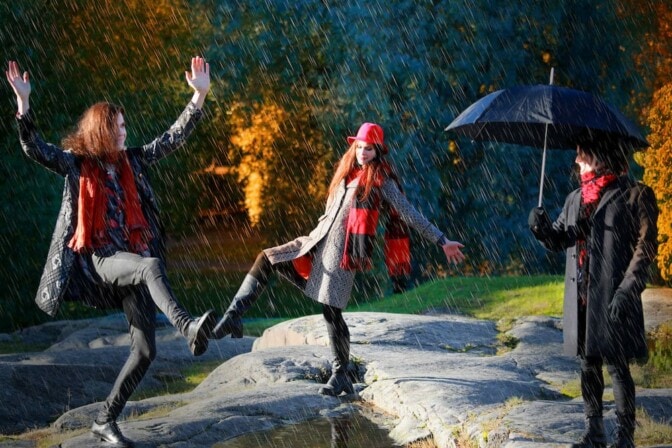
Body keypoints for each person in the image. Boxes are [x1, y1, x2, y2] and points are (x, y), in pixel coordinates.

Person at [6, 58, 216, 447]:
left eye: (124, 126)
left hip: (133, 260)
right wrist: (24, 104)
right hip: (102, 260)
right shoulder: (77, 165)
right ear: (102, 130)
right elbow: (34, 148)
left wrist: (199, 96)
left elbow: (171, 139)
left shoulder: (132, 161)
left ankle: (104, 420)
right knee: (150, 266)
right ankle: (188, 327)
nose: (124, 132)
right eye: (118, 127)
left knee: (145, 351)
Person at [210, 122, 466, 396]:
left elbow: (409, 213)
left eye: (369, 149)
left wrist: (442, 240)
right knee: (268, 258)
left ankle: (340, 374)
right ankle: (233, 316)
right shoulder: (346, 173)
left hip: (343, 255)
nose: (363, 153)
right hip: (315, 242)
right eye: (359, 147)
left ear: (378, 151)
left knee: (331, 312)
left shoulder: (382, 181)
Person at [528, 141, 658, 448]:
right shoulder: (575, 199)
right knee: (588, 364)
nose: (576, 160)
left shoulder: (634, 194)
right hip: (583, 295)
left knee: (617, 365)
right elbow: (560, 239)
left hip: (614, 295)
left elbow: (646, 248)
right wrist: (541, 229)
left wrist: (628, 289)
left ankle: (625, 437)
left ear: (599, 157)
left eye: (581, 154)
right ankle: (595, 433)